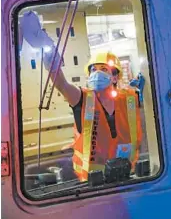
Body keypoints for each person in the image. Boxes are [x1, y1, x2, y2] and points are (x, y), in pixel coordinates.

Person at [20, 11, 143, 182]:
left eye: (103, 69)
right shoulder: (82, 98)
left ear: (115, 77)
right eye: (93, 69)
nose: (97, 73)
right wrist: (48, 51)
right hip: (91, 183)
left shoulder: (131, 99)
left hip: (127, 177)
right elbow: (60, 83)